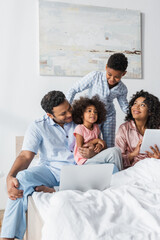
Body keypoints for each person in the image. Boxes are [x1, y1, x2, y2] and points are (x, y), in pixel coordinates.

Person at [1, 90, 122, 240]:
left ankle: (55, 190)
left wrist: (94, 152)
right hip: (51, 170)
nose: (69, 115)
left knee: (112, 170)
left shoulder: (80, 119)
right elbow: (26, 155)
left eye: (69, 108)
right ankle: (8, 237)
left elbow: (95, 143)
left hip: (80, 170)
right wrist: (10, 176)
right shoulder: (38, 126)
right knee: (20, 180)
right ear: (50, 115)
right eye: (63, 114)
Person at [67, 53, 128, 148]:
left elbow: (124, 106)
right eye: (109, 74)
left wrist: (135, 114)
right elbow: (74, 89)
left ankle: (109, 161)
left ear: (123, 74)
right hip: (92, 114)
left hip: (109, 115)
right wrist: (68, 108)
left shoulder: (122, 89)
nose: (112, 79)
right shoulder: (95, 76)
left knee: (109, 144)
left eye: (116, 77)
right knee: (92, 141)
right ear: (106, 67)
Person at [72, 95, 122, 171]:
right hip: (84, 160)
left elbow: (102, 143)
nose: (93, 113)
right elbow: (80, 149)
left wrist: (99, 145)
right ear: (82, 114)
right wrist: (96, 141)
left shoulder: (96, 127)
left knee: (117, 151)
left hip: (94, 156)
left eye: (95, 112)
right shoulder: (80, 128)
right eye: (89, 111)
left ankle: (116, 175)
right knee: (114, 152)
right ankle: (121, 176)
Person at [115, 90, 160, 169]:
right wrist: (134, 153)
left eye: (142, 105)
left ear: (150, 112)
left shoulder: (157, 129)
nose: (136, 107)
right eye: (135, 103)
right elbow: (117, 160)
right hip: (134, 170)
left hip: (153, 167)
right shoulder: (124, 129)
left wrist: (158, 157)